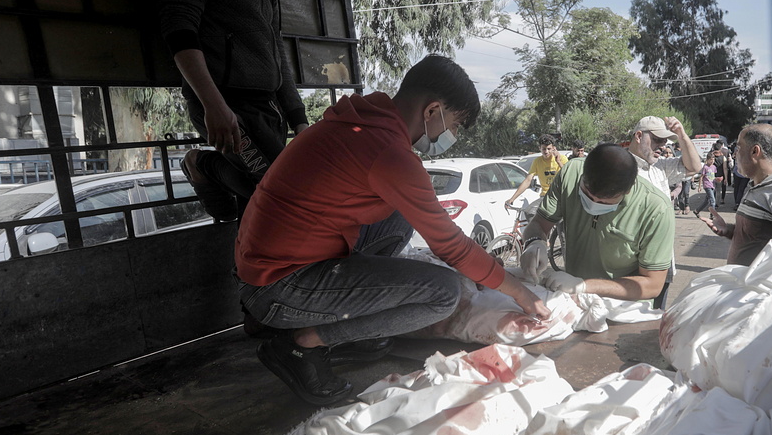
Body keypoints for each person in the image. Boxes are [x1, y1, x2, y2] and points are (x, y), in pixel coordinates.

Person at [235, 55, 550, 405]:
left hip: (264, 272)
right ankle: (302, 343)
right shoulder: (388, 152)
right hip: (280, 287)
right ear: (432, 111)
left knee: (401, 215)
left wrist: (484, 272)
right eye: (456, 125)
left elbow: (442, 234)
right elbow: (452, 247)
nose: (453, 136)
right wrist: (521, 293)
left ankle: (349, 328)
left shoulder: (361, 122)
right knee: (443, 293)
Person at [160, 0, 308, 222]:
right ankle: (203, 164)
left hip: (267, 112)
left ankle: (246, 260)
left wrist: (299, 120)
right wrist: (213, 104)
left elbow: (278, 56)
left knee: (263, 205)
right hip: (226, 105)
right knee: (282, 196)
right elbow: (179, 29)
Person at [518, 143, 674, 303]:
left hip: (622, 308)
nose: (593, 204)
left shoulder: (656, 210)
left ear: (627, 190)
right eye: (586, 194)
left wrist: (584, 286)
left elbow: (653, 284)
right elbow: (539, 223)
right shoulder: (570, 173)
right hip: (573, 300)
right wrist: (534, 243)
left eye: (604, 202)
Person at [702, 124, 772, 265]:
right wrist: (728, 230)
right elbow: (755, 236)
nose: (734, 154)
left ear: (755, 151)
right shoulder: (753, 186)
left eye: (738, 148)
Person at [505, 134, 567, 208]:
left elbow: (569, 175)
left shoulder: (562, 158)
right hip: (545, 197)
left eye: (549, 149)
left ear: (554, 148)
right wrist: (512, 199)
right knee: (531, 213)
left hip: (560, 196)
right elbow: (528, 180)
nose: (546, 152)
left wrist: (558, 161)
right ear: (539, 148)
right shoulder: (537, 162)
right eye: (544, 149)